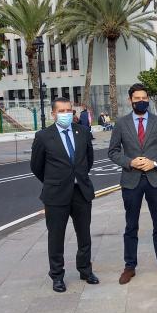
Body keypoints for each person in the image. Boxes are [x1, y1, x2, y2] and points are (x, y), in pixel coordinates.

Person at [108, 84, 157, 284]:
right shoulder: (121, 123)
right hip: (131, 181)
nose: (141, 101)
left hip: (155, 180)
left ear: (148, 99)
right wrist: (129, 162)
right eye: (137, 98)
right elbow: (113, 151)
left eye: (144, 98)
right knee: (131, 226)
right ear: (130, 100)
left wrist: (154, 162)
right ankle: (129, 266)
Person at [30, 97, 99, 293]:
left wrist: (77, 178)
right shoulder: (43, 136)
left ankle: (85, 270)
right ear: (53, 114)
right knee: (56, 237)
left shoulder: (83, 132)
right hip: (56, 195)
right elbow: (36, 166)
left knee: (84, 235)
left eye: (69, 110)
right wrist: (55, 181)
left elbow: (89, 160)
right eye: (61, 111)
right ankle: (57, 276)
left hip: (81, 192)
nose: (66, 114)